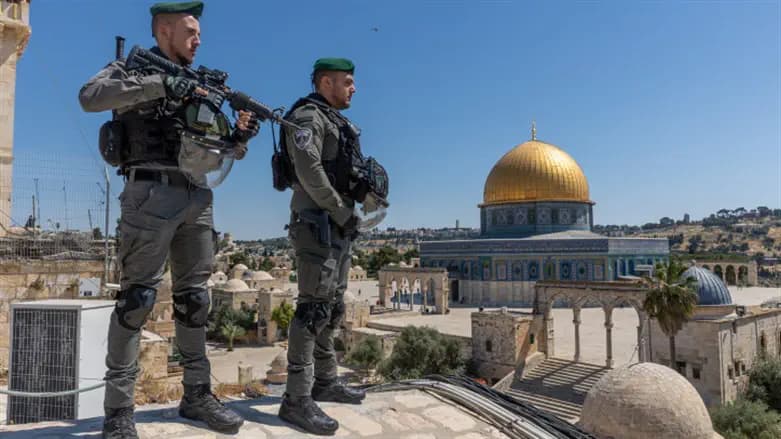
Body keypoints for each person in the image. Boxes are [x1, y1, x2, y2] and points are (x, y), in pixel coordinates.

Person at [78, 2, 259, 438]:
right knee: (137, 300)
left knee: (195, 301)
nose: (199, 39)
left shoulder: (199, 82)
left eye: (199, 32)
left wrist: (237, 138)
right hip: (149, 192)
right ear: (164, 30)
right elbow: (90, 98)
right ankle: (119, 413)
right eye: (191, 31)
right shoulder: (129, 68)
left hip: (197, 195)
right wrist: (163, 84)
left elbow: (210, 147)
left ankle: (197, 395)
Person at [276, 58, 370, 436]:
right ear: (326, 82)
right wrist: (338, 208)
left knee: (332, 308)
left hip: (338, 225)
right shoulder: (307, 117)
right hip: (318, 225)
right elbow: (308, 168)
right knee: (312, 310)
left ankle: (325, 381)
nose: (353, 88)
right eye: (347, 82)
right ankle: (295, 399)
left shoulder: (336, 121)